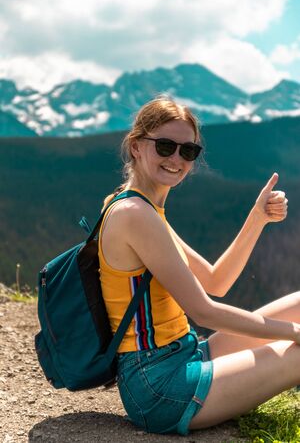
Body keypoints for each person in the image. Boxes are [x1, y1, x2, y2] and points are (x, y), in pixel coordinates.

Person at [98, 96, 300, 436]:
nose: (176, 159)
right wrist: (292, 333)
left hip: (186, 357)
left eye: (188, 151)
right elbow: (204, 311)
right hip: (159, 388)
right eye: (164, 146)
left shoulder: (144, 208)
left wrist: (257, 218)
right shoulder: (134, 215)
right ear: (136, 147)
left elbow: (215, 280)